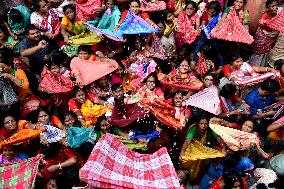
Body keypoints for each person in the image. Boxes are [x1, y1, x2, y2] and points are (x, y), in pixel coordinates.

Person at [249, 0, 280, 67]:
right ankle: (255, 66)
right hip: (263, 35)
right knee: (259, 52)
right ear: (268, 8)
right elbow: (262, 21)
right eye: (273, 6)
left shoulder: (278, 16)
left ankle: (264, 67)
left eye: (276, 6)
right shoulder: (265, 15)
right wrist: (264, 22)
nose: (275, 8)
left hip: (272, 37)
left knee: (267, 52)